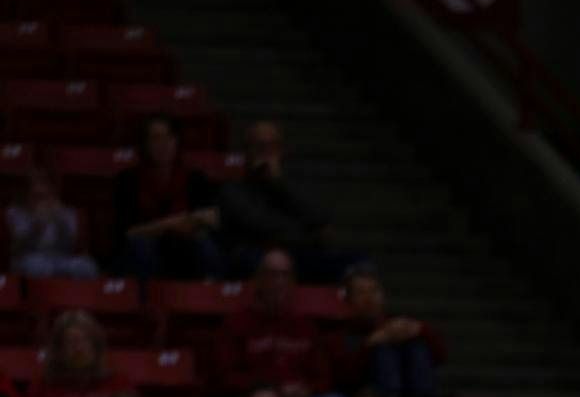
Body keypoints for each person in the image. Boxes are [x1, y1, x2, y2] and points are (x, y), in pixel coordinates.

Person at [217, 248, 342, 397]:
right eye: (273, 274)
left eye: (285, 275)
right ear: (259, 279)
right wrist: (269, 390)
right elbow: (227, 377)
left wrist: (306, 390)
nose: (279, 281)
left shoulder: (305, 325)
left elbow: (323, 376)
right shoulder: (237, 322)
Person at [216, 119, 340, 281]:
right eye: (259, 147)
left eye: (272, 147)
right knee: (275, 264)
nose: (266, 153)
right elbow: (262, 228)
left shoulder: (298, 186)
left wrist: (279, 181)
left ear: (282, 151)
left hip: (300, 255)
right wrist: (308, 235)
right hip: (253, 258)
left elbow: (320, 220)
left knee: (355, 263)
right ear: (246, 152)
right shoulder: (232, 190)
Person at [111, 112, 222, 280]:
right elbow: (128, 232)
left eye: (168, 137)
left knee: (205, 245)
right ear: (145, 144)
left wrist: (191, 223)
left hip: (185, 244)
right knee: (142, 246)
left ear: (176, 141)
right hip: (144, 247)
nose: (162, 144)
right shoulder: (127, 180)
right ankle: (145, 303)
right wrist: (169, 225)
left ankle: (209, 299)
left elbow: (210, 218)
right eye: (155, 138)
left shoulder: (195, 179)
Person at [340, 264, 445, 397]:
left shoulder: (397, 325)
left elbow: (441, 356)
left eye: (374, 291)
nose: (369, 298)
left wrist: (420, 330)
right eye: (361, 292)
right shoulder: (342, 332)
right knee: (383, 351)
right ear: (348, 300)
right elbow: (345, 378)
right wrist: (370, 344)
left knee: (416, 346)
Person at [25, 310, 125, 397]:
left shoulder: (118, 384)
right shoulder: (41, 387)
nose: (79, 348)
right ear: (58, 349)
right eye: (71, 342)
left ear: (96, 346)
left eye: (85, 340)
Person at [6, 168, 95, 279]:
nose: (42, 202)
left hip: (61, 258)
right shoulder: (15, 213)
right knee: (38, 266)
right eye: (37, 197)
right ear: (27, 195)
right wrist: (37, 226)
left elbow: (76, 248)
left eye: (47, 196)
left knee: (86, 266)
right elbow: (16, 249)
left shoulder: (67, 213)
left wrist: (59, 221)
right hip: (30, 258)